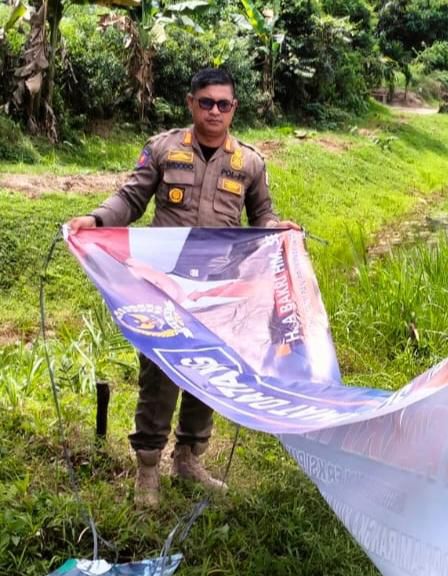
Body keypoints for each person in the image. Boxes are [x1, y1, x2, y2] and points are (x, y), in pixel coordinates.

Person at [67, 68, 299, 509]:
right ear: (191, 103)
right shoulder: (163, 149)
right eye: (206, 102)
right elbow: (130, 199)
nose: (214, 111)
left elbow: (262, 215)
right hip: (162, 286)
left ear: (234, 110)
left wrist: (277, 228)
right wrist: (95, 221)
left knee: (208, 370)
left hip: (218, 289)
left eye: (223, 104)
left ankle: (190, 458)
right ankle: (148, 467)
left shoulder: (249, 163)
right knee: (161, 371)